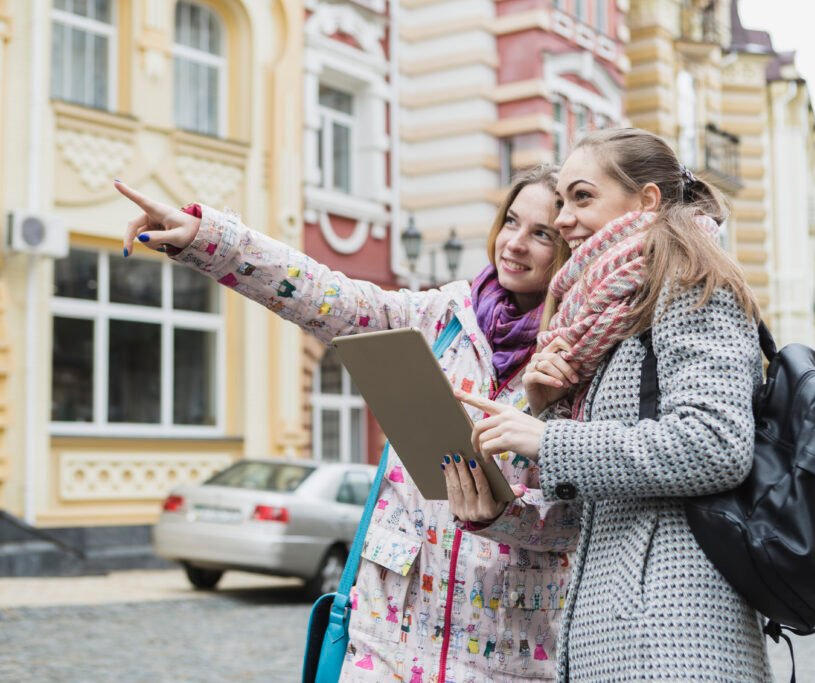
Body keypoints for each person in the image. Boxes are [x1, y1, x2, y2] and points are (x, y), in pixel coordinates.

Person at [115, 165, 580, 682]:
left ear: (570, 246)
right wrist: (211, 239)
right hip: (385, 638)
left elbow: (589, 515)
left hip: (508, 652)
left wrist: (504, 515)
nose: (514, 244)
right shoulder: (443, 315)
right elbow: (328, 296)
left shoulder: (583, 355)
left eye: (541, 234)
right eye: (511, 221)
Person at [447, 128, 773, 681]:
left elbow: (717, 442)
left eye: (581, 197)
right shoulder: (611, 308)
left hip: (678, 636)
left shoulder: (693, 282)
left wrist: (549, 440)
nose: (566, 218)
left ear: (646, 200)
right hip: (619, 629)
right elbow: (610, 472)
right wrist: (547, 405)